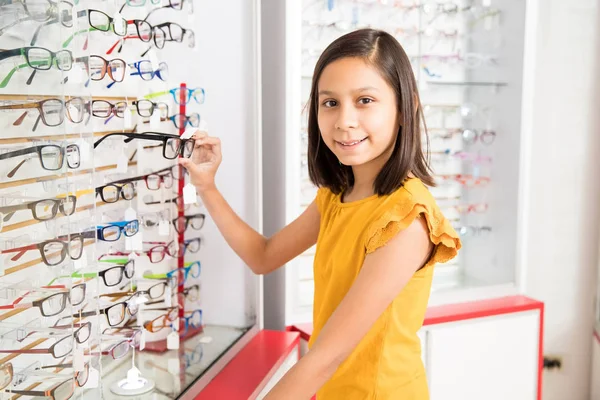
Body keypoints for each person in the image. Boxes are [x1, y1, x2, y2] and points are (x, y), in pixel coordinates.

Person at [179, 28, 461, 400]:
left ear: (405, 109)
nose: (344, 120)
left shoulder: (407, 217)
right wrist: (207, 186)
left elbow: (327, 355)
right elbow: (263, 256)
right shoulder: (336, 195)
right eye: (330, 103)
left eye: (364, 100)